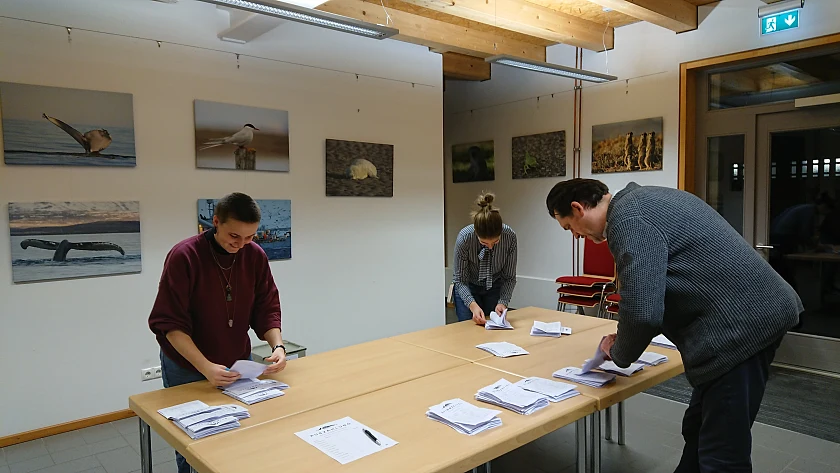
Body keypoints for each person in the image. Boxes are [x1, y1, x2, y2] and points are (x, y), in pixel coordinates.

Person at [545, 178, 802, 473]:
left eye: (569, 227)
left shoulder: (629, 220)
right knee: (697, 428)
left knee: (722, 453)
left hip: (740, 329)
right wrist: (624, 336)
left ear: (577, 209)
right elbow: (648, 293)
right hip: (741, 319)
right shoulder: (642, 202)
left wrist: (619, 352)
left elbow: (643, 311)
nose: (576, 236)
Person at [148, 192, 287, 473]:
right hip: (187, 366)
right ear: (215, 222)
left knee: (236, 434)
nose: (241, 244)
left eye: (250, 237)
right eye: (234, 236)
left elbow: (267, 305)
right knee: (193, 442)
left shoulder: (254, 255)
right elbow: (170, 324)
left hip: (236, 361)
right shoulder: (184, 256)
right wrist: (206, 367)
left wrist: (277, 347)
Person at [452, 192, 518, 325]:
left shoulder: (510, 236)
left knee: (493, 327)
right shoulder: (465, 238)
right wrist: (473, 305)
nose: (490, 247)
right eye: (484, 243)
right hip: (468, 286)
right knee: (468, 328)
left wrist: (503, 302)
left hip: (494, 285)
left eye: (496, 242)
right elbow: (460, 280)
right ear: (476, 233)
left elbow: (509, 277)